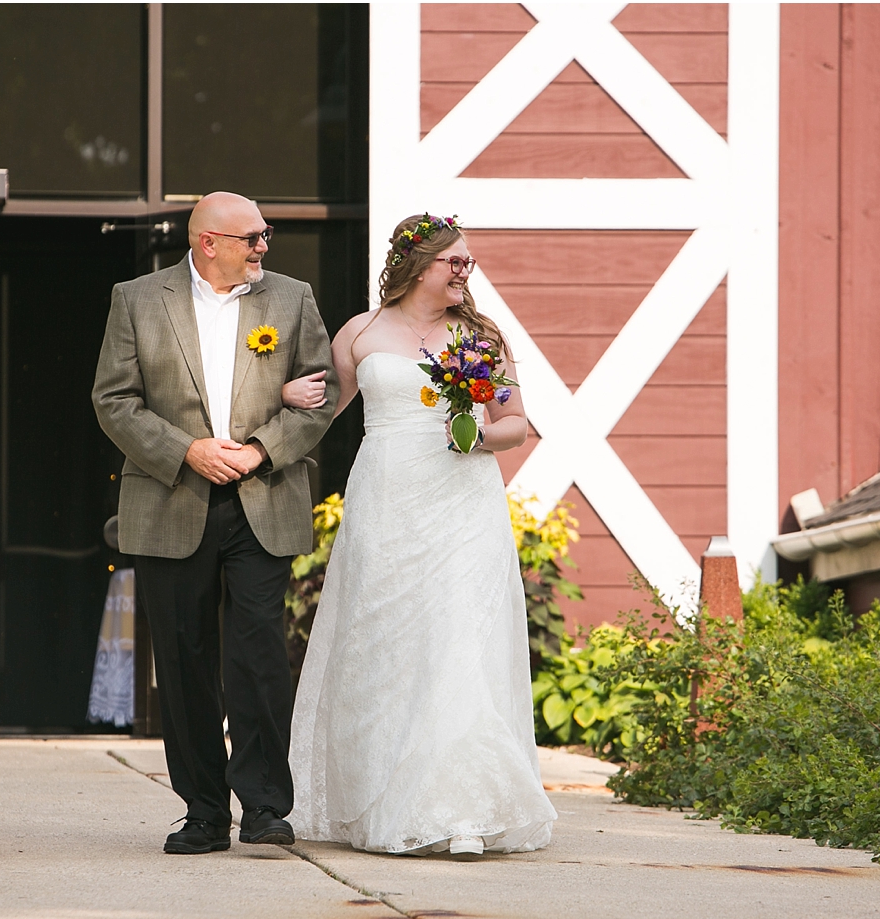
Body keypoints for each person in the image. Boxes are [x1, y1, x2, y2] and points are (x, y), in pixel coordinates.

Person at [288, 213, 557, 856]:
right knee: (385, 642)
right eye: (454, 262)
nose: (466, 272)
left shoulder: (481, 337)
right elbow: (325, 412)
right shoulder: (361, 331)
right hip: (385, 498)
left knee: (456, 640)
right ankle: (374, 799)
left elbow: (515, 422)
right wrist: (288, 398)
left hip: (463, 505)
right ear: (417, 265)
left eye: (469, 262)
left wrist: (477, 434)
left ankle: (455, 810)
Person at [92, 192, 338, 854]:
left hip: (264, 496)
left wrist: (259, 449)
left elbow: (323, 396)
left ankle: (264, 805)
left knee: (257, 655)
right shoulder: (137, 298)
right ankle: (203, 810)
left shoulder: (291, 299)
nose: (265, 247)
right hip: (172, 497)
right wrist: (187, 451)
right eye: (253, 237)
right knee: (183, 658)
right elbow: (113, 401)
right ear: (209, 242)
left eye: (265, 236)